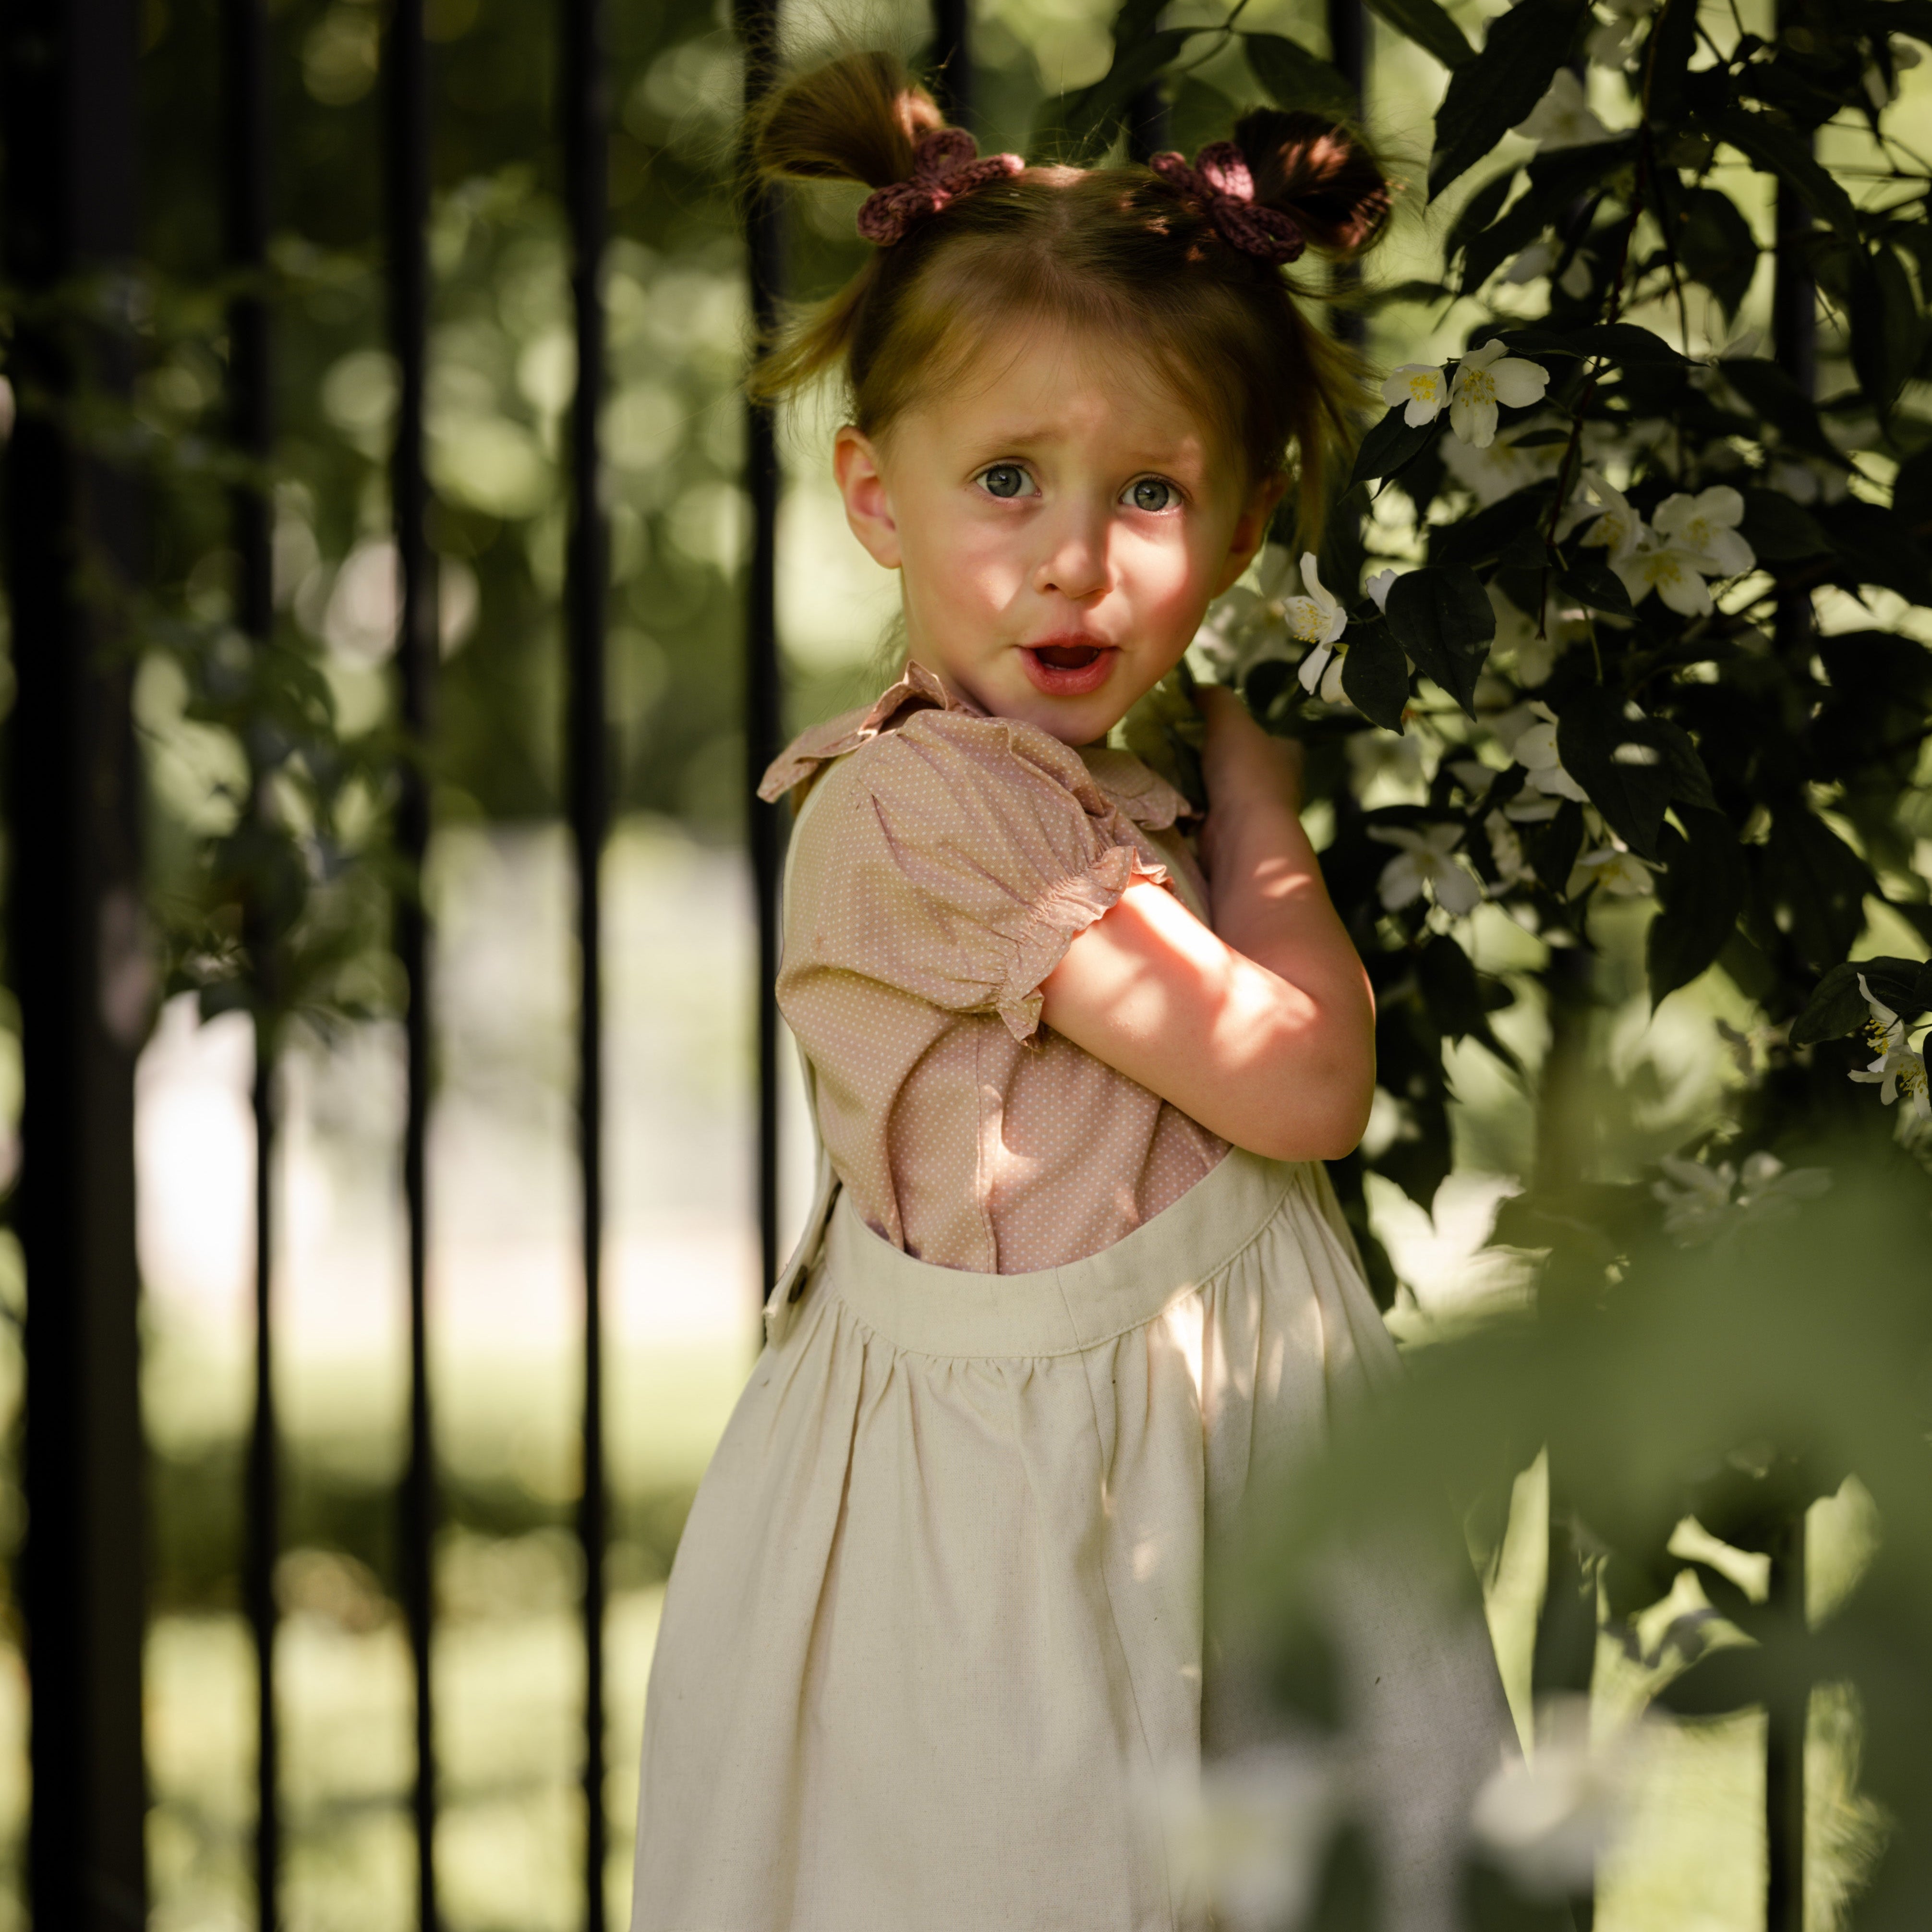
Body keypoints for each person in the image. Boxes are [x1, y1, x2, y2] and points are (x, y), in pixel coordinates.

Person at [630, 51, 1509, 1932]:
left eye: (1149, 493)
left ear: (1246, 512)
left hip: (1166, 1458)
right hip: (1018, 1526)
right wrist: (1263, 798)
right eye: (1006, 478)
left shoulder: (1081, 787)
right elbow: (1297, 1088)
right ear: (875, 494)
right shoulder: (933, 805)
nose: (1072, 558)